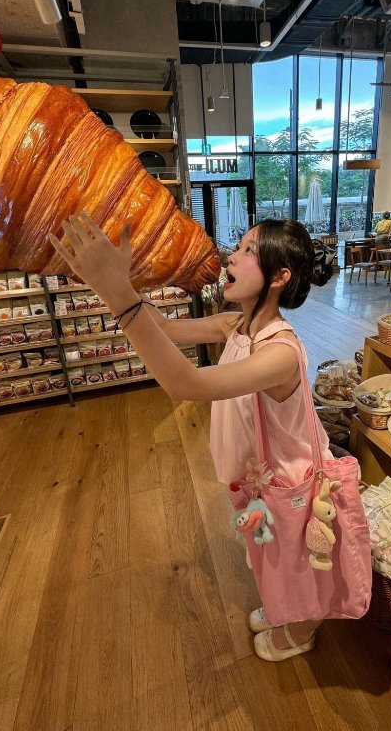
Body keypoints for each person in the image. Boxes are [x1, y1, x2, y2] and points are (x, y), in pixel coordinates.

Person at [50, 214, 339, 662]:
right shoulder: (234, 326)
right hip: (259, 474)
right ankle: (283, 607)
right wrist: (118, 283)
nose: (232, 257)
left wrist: (117, 291)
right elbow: (162, 328)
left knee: (299, 561)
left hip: (292, 479)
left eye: (248, 251)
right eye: (238, 246)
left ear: (280, 277)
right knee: (271, 550)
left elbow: (186, 383)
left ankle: (301, 631)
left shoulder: (280, 352)